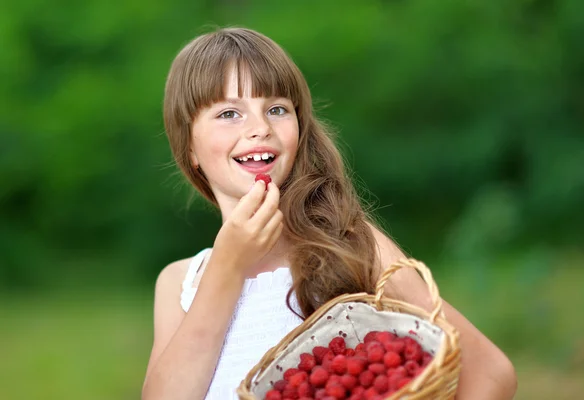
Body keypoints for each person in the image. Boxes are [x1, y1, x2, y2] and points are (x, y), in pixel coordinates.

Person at [142, 27, 517, 400]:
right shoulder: (179, 284)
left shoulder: (348, 241)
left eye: (277, 109)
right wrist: (228, 266)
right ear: (189, 146)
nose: (260, 128)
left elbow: (490, 373)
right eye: (228, 113)